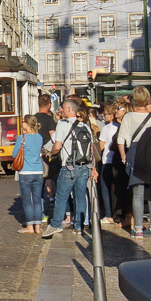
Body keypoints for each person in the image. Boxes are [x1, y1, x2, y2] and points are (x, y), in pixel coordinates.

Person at [42, 97, 98, 237]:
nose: (61, 111)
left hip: (69, 167)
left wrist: (51, 153)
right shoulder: (85, 126)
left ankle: (56, 224)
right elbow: (91, 150)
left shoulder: (62, 124)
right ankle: (79, 226)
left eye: (63, 108)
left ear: (68, 109)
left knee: (61, 196)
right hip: (84, 166)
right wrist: (93, 168)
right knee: (80, 196)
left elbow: (57, 146)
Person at [117, 87, 151, 237]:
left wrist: (123, 156)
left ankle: (139, 228)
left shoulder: (128, 117)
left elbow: (121, 139)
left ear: (134, 100)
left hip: (135, 152)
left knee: (138, 192)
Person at [14, 115, 45, 233]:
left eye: (23, 122)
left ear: (27, 124)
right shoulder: (39, 137)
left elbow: (14, 154)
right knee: (37, 200)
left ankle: (29, 227)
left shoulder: (22, 138)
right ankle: (38, 227)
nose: (22, 124)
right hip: (38, 171)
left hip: (26, 172)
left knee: (27, 200)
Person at [35, 93, 59, 221]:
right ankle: (51, 202)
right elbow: (54, 137)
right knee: (48, 178)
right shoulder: (49, 120)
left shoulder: (32, 119)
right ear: (49, 104)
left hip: (34, 154)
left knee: (38, 183)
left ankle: (39, 213)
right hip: (46, 154)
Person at [97, 103, 120, 225]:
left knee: (105, 188)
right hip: (118, 161)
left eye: (105, 114)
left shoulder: (106, 128)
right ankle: (117, 213)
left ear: (111, 115)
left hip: (107, 160)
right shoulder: (120, 127)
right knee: (115, 188)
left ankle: (109, 214)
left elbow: (101, 146)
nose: (103, 116)